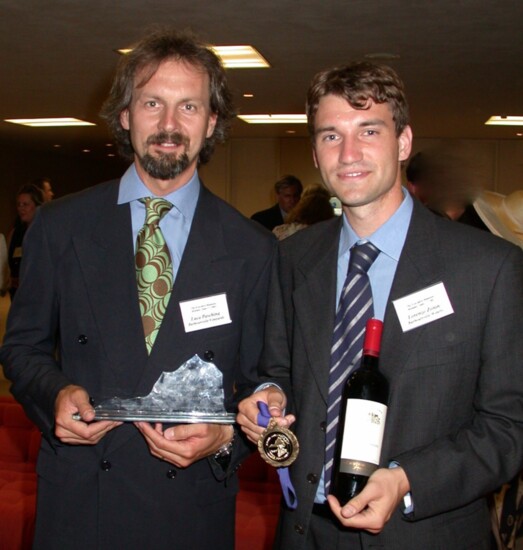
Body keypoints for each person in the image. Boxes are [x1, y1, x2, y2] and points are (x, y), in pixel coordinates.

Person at [0, 28, 275, 549]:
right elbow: (22, 349)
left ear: (211, 121)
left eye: (189, 106)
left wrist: (226, 438)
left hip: (190, 507)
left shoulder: (253, 249)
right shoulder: (60, 227)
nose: (169, 125)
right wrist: (55, 395)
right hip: (82, 502)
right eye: (152, 102)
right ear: (125, 115)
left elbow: (265, 381)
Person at [237, 61, 523, 549]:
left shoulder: (489, 269)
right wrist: (268, 396)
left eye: (369, 130)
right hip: (306, 531)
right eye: (331, 135)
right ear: (315, 151)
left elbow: (508, 427)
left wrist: (407, 479)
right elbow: (276, 369)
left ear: (404, 142)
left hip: (423, 532)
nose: (349, 153)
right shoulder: (292, 258)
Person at [6, 183, 44, 298]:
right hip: (17, 296)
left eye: (25, 204)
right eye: (19, 204)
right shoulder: (15, 233)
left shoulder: (45, 233)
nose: (21, 208)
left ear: (37, 206)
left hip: (38, 295)